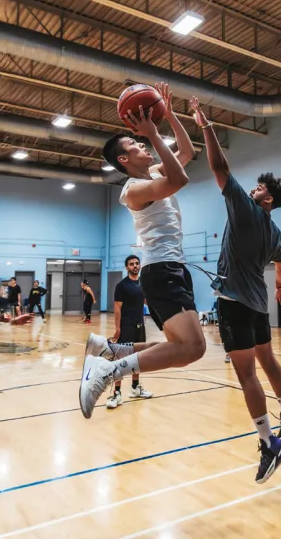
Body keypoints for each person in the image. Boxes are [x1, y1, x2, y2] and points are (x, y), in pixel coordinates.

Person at [79, 83, 207, 428]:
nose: (142, 145)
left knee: (178, 345)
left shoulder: (150, 173)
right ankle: (109, 370)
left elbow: (187, 152)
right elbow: (179, 178)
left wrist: (169, 110)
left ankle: (115, 350)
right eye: (135, 144)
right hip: (161, 269)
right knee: (193, 348)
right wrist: (152, 132)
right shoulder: (134, 190)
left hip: (173, 267)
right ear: (124, 160)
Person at [191, 96, 281, 484]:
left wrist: (205, 124)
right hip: (257, 304)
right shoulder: (276, 232)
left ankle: (270, 442)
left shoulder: (246, 208)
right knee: (269, 363)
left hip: (236, 303)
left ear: (265, 199)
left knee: (247, 376)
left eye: (257, 187)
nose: (252, 189)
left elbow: (220, 167)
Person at [107, 254, 153, 408]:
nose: (135, 266)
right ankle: (117, 394)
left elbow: (146, 301)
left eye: (137, 263)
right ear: (127, 267)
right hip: (126, 327)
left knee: (137, 359)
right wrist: (118, 328)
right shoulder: (122, 286)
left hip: (140, 326)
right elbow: (117, 308)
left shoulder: (143, 284)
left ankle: (135, 388)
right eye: (132, 264)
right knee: (121, 360)